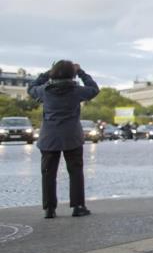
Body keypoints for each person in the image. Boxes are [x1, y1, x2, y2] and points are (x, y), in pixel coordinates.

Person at [27, 60, 100, 219]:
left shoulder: (44, 91)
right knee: (75, 172)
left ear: (53, 73)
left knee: (48, 173)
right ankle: (78, 206)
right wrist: (81, 72)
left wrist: (47, 73)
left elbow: (31, 87)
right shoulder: (77, 91)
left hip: (49, 137)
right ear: (72, 74)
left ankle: (49, 209)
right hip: (71, 136)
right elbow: (94, 89)